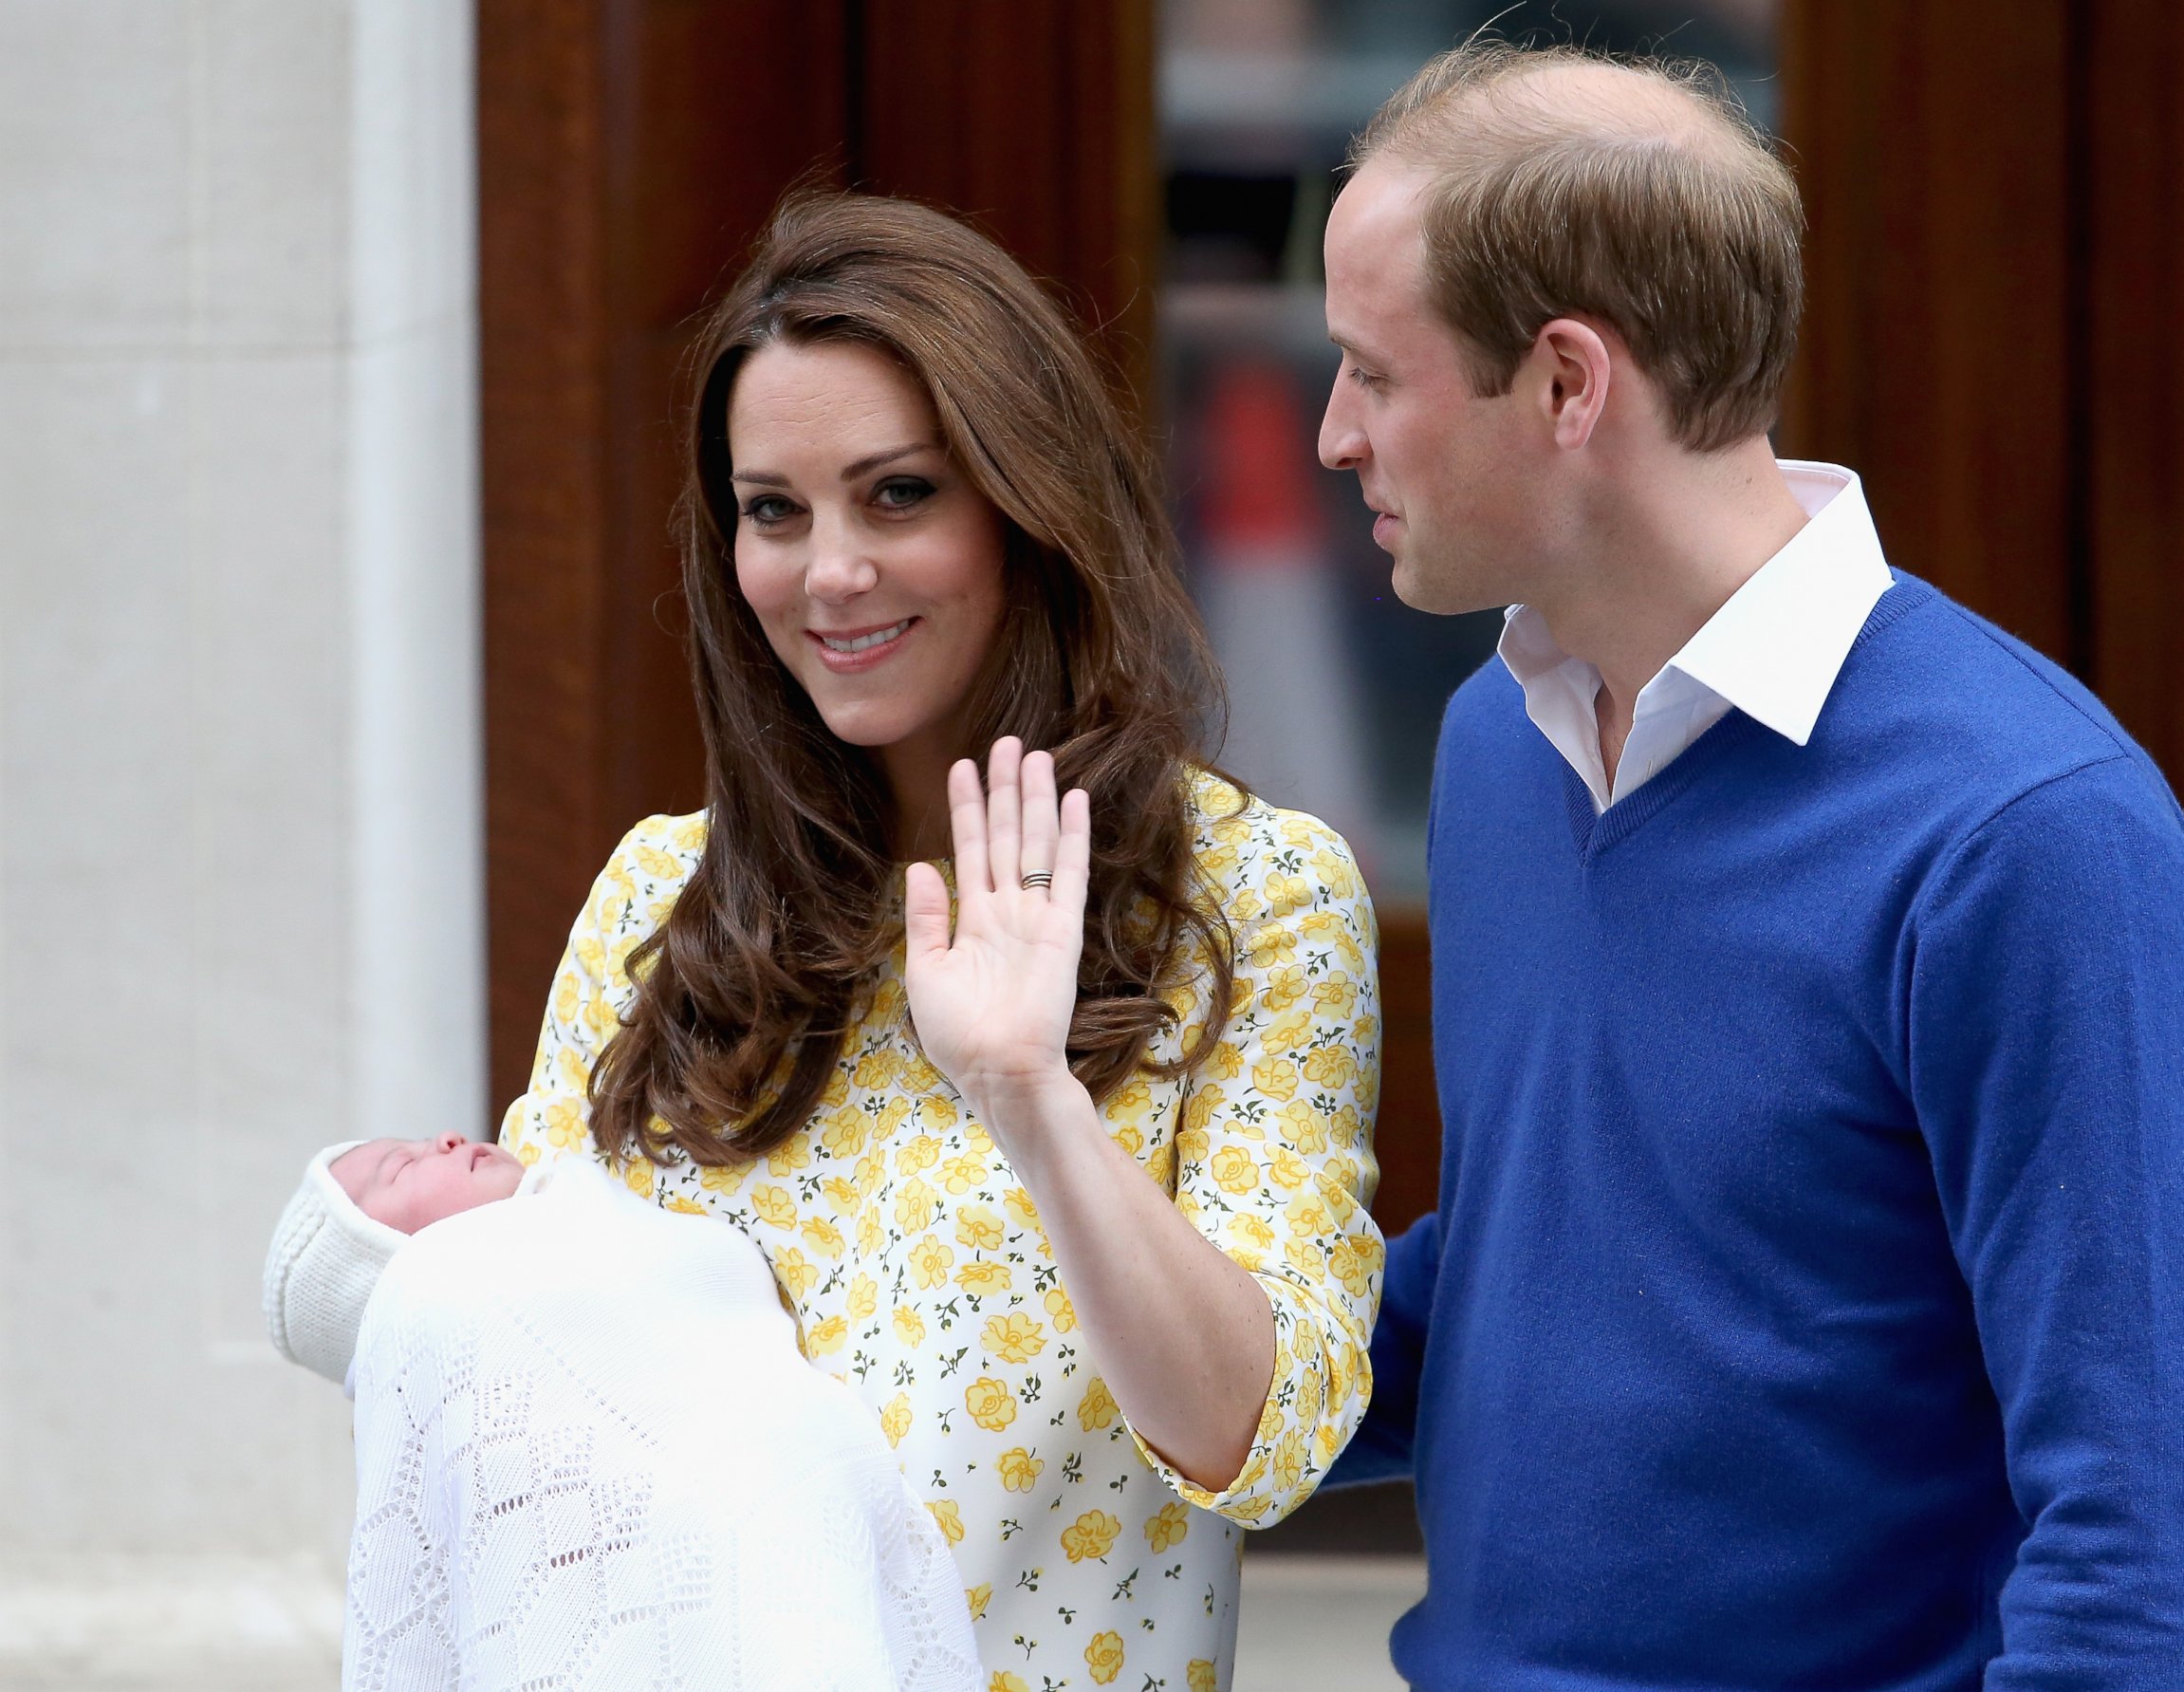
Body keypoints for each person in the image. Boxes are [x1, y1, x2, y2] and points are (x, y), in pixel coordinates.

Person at [272, 188, 1384, 1689]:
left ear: (1024, 501)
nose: (830, 572)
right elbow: (512, 1381)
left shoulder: (1251, 897)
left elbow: (1265, 1437)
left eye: (900, 494)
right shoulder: (660, 901)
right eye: (775, 510)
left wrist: (1032, 1097)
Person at [1315, 41, 2184, 1691]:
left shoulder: (2031, 834)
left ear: (1562, 384)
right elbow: (1534, 1267)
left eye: (1371, 375)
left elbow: (2139, 1524)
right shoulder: (1498, 745)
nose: (1330, 436)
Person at [263, 1131, 983, 1689]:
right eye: (400, 1165)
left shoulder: (588, 1210)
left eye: (419, 1138)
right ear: (381, 1274)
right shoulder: (447, 1295)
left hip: (799, 1510)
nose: (443, 1140)